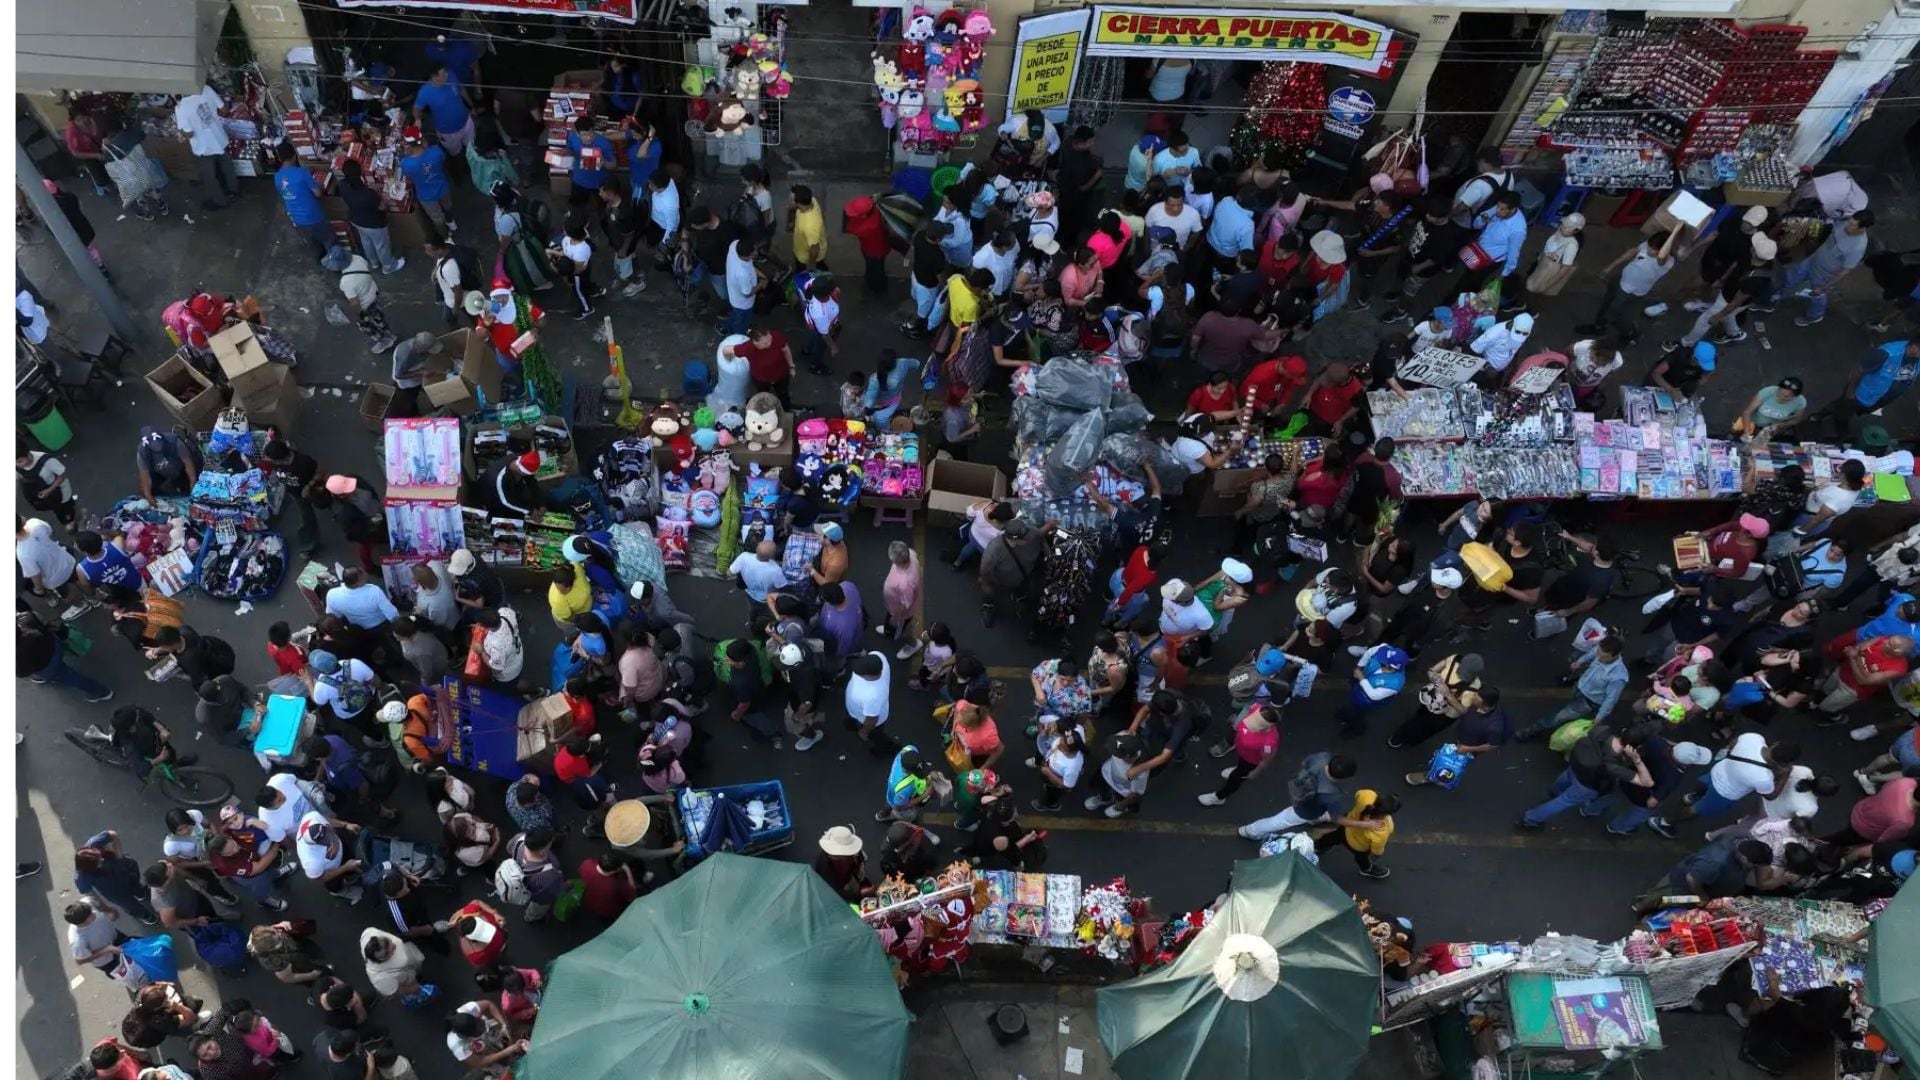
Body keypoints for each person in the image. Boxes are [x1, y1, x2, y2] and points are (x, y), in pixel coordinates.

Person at [1648, 732, 1799, 836]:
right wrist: (1785, 775)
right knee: (1697, 809)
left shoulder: (1754, 738)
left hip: (1718, 771)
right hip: (1725, 793)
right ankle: (1664, 822)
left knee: (1702, 787)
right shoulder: (1764, 777)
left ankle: (1693, 796)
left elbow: (1732, 744)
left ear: (1776, 744)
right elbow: (1771, 796)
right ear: (1782, 763)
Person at [1517, 724, 1651, 828]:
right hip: (1587, 785)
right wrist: (1636, 759)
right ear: (1634, 747)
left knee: (1566, 779)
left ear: (1624, 730)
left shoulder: (1602, 731)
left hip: (1576, 765)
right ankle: (1531, 819)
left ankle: (1554, 791)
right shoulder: (1614, 765)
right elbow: (1646, 782)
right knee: (1563, 801)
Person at [1772, 209, 1873, 327]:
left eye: (1852, 225)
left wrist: (1825, 286)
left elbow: (1845, 271)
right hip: (1813, 260)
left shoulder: (1857, 247)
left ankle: (1814, 315)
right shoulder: (1845, 222)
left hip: (1824, 274)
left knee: (1817, 295)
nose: (1847, 226)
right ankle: (1778, 295)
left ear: (1862, 228)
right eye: (1850, 221)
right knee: (1790, 278)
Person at [1520, 636, 1629, 738]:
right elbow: (1591, 653)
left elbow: (1611, 699)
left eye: (1604, 657)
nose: (1599, 658)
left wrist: (1599, 718)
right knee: (1563, 711)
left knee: (1559, 716)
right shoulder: (1601, 649)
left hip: (1588, 701)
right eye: (1598, 653)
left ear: (1615, 655)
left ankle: (1532, 730)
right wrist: (1580, 662)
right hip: (1580, 686)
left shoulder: (1618, 677)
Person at [1632, 837, 1774, 915]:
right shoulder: (1716, 862)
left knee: (1670, 901)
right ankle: (1641, 907)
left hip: (1710, 888)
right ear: (1744, 859)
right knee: (1665, 898)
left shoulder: (1743, 841)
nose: (1753, 869)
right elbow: (1692, 879)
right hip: (1685, 889)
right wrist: (1702, 896)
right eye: (1753, 865)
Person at [270, 143, 331, 259]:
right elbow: (318, 194)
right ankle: (335, 262)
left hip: (298, 220)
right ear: (294, 156)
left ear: (279, 158)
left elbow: (286, 194)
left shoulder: (277, 177)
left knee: (314, 245)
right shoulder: (302, 173)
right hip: (314, 216)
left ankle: (321, 260)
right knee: (328, 240)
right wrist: (321, 186)